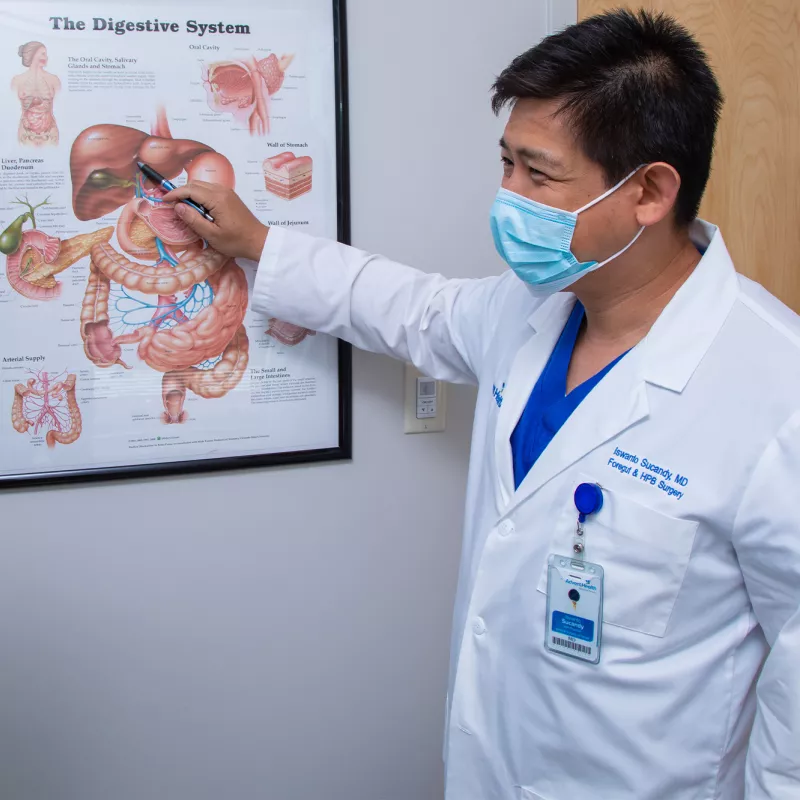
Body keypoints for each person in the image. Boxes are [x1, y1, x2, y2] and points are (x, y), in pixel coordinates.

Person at [166, 9, 800, 799]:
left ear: (650, 191)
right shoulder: (529, 308)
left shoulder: (775, 390)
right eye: (505, 164)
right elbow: (412, 308)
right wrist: (261, 244)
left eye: (538, 175)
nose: (507, 198)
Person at [12, 41, 60, 146]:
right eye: (43, 53)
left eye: (46, 54)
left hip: (50, 134)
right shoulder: (17, 80)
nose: (46, 57)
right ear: (32, 54)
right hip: (26, 134)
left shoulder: (53, 80)